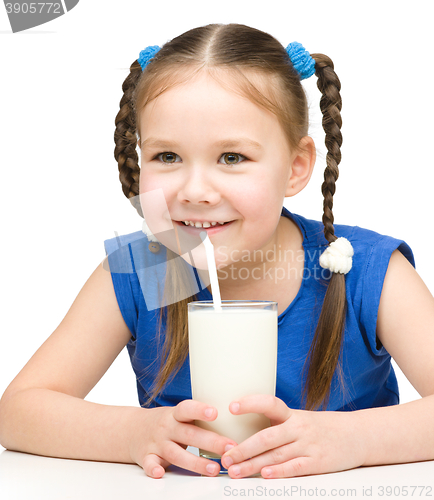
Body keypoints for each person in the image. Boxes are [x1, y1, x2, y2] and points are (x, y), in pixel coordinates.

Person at [1, 23, 433, 481]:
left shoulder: (362, 270)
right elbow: (18, 411)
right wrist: (130, 432)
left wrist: (353, 439)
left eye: (232, 158)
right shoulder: (148, 269)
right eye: (167, 156)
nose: (195, 190)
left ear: (296, 167)